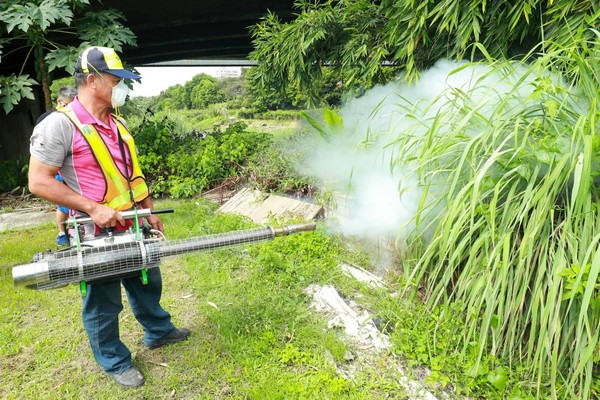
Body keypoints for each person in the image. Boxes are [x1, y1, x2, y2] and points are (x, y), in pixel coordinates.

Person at [28, 46, 190, 388]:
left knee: (147, 280)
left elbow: (131, 173)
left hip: (132, 222)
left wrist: (147, 209)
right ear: (92, 81)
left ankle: (158, 331)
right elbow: (39, 181)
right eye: (116, 81)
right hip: (93, 231)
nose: (121, 88)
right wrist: (91, 207)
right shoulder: (60, 125)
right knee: (103, 300)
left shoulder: (117, 123)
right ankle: (114, 361)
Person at [36, 85, 78, 246]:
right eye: (68, 104)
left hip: (73, 167)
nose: (71, 108)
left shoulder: (74, 117)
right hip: (57, 168)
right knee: (64, 205)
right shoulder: (47, 119)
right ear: (59, 101)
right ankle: (62, 233)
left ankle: (76, 231)